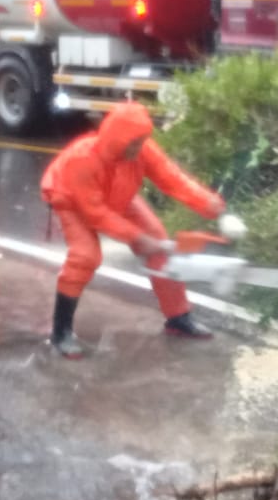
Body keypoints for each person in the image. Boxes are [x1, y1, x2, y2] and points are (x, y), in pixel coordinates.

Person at [40, 102, 226, 359]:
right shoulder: (82, 161)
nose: (141, 148)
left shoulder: (140, 150)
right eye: (134, 143)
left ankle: (178, 317)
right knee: (85, 256)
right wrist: (136, 237)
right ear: (118, 141)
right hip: (72, 199)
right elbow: (96, 214)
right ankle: (61, 333)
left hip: (118, 195)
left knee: (160, 242)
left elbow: (171, 178)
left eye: (141, 142)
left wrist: (207, 203)